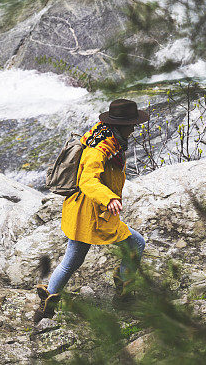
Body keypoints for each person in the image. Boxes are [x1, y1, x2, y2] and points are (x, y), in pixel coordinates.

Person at [34, 98, 149, 322]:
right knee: (136, 243)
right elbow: (88, 180)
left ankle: (46, 307)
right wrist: (109, 198)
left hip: (84, 211)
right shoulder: (99, 150)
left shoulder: (106, 138)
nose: (135, 128)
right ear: (120, 125)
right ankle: (123, 297)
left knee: (72, 261)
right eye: (132, 124)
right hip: (92, 213)